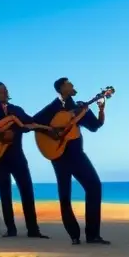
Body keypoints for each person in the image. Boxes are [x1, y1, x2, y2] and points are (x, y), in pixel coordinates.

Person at [0, 81, 56, 239]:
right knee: (5, 193)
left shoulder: (16, 110)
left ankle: (33, 229)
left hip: (17, 155)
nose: (4, 92)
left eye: (5, 90)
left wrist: (47, 127)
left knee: (27, 190)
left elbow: (31, 123)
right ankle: (10, 229)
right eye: (0, 91)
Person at [32, 77, 110, 245]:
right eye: (69, 84)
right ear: (61, 88)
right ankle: (74, 235)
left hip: (76, 154)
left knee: (94, 186)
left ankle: (93, 235)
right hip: (58, 155)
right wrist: (52, 131)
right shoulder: (52, 108)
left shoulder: (79, 107)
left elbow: (95, 126)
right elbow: (32, 123)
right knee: (65, 196)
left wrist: (101, 109)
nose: (73, 86)